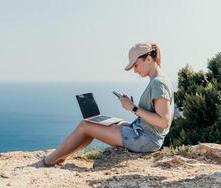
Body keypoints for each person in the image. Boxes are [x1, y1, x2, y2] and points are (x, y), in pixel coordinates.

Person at [35, 42, 174, 167]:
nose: (135, 70)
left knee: (85, 125)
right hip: (143, 132)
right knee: (98, 123)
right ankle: (60, 157)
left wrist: (133, 107)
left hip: (145, 139)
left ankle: (48, 161)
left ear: (148, 59)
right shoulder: (158, 80)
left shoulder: (158, 83)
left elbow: (163, 122)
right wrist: (131, 107)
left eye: (135, 65)